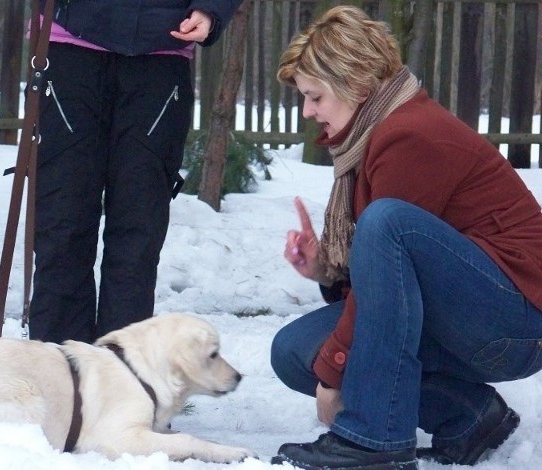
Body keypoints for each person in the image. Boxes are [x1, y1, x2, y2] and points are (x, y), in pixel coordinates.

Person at [269, 6, 542, 470]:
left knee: (388, 221)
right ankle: (470, 415)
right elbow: (388, 288)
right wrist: (325, 273)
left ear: (354, 84)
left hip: (514, 323)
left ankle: (375, 439)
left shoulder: (411, 134)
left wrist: (338, 378)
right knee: (295, 352)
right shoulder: (376, 133)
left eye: (314, 96)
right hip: (469, 313)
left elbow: (389, 251)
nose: (308, 111)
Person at [28, 1, 243, 344]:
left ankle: (122, 374)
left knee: (138, 230)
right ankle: (58, 370)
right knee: (62, 222)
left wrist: (209, 9)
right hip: (70, 45)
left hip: (161, 50)